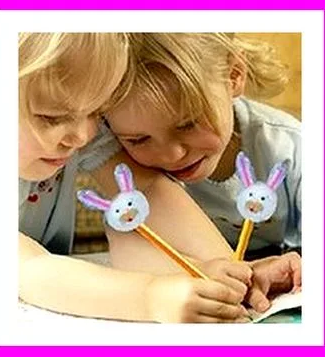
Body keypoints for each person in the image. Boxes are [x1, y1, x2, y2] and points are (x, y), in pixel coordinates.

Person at [19, 32, 258, 323]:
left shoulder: (70, 124)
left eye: (97, 112)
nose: (83, 135)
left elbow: (146, 192)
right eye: (50, 118)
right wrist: (150, 297)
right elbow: (26, 269)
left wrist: (222, 272)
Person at [103, 33, 301, 262]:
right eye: (138, 140)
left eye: (188, 124)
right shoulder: (126, 169)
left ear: (233, 76)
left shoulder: (291, 147)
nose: (172, 155)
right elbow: (131, 252)